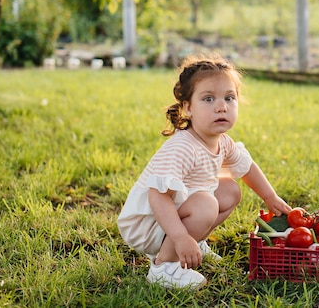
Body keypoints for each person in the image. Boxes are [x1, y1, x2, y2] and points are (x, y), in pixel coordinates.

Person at [117, 53, 292, 289]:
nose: (221, 106)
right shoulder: (183, 147)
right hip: (148, 223)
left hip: (175, 214)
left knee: (230, 190)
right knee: (206, 204)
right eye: (208, 99)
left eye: (229, 98)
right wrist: (180, 237)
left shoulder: (223, 142)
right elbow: (157, 196)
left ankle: (194, 241)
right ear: (188, 108)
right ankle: (164, 266)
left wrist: (271, 198)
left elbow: (247, 168)